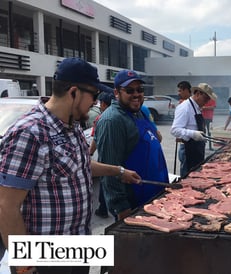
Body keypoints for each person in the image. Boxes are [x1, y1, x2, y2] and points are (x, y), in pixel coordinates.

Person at [0, 57, 140, 274]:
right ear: (73, 92)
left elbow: (80, 165)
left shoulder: (71, 125)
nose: (95, 102)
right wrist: (25, 267)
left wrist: (118, 171)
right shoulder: (30, 133)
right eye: (93, 95)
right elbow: (6, 206)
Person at [95, 69, 169, 220]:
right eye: (129, 90)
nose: (136, 94)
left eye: (140, 90)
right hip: (135, 201)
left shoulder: (139, 112)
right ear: (117, 93)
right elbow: (109, 169)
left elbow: (155, 138)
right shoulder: (112, 120)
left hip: (155, 194)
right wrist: (122, 209)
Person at [170, 83, 217, 176]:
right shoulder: (185, 107)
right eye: (206, 98)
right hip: (188, 150)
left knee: (196, 176)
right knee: (187, 180)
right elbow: (174, 130)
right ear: (198, 94)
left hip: (197, 148)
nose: (207, 101)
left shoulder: (196, 107)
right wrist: (193, 134)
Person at [89, 89, 116, 219]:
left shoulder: (102, 118)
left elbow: (95, 138)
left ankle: (103, 208)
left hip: (105, 155)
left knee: (105, 181)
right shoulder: (119, 115)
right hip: (119, 155)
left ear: (104, 104)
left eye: (100, 103)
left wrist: (90, 152)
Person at [174, 81, 192, 176]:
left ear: (186, 90)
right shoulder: (183, 104)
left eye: (180, 90)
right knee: (184, 165)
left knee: (186, 168)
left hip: (188, 143)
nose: (178, 93)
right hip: (184, 142)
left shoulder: (189, 104)